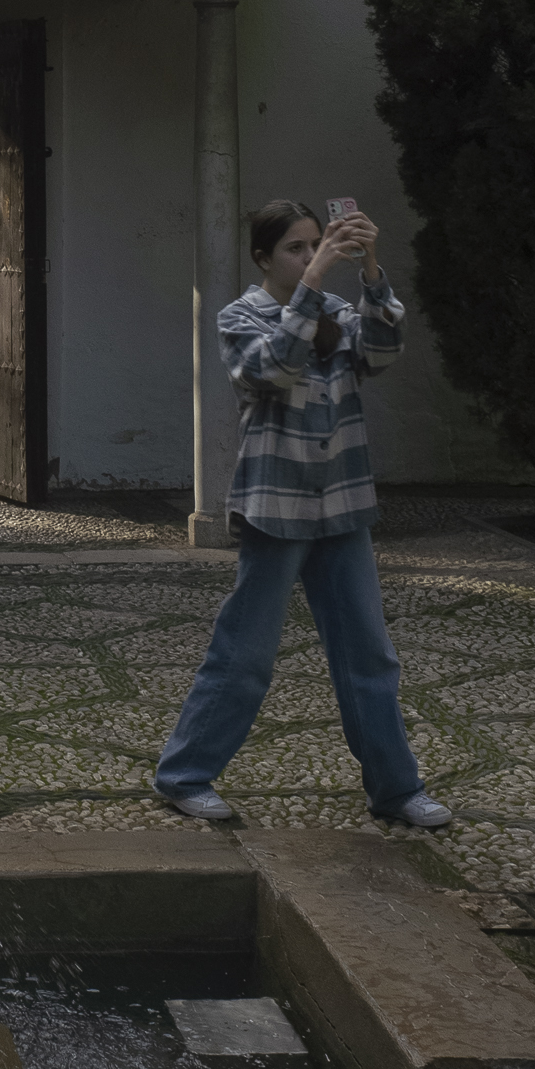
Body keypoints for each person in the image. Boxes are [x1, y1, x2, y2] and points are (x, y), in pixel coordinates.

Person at [154, 198, 451, 830]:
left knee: (369, 655)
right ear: (264, 258)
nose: (311, 255)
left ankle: (396, 790)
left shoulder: (340, 312)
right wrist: (313, 283)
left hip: (343, 501)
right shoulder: (240, 317)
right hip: (276, 505)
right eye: (296, 248)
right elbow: (274, 369)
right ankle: (184, 776)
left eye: (317, 243)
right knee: (246, 653)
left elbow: (383, 353)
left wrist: (371, 267)